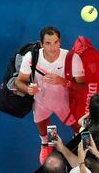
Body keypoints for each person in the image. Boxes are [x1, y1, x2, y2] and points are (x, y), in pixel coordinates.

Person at [14, 27, 85, 164]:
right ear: (41, 44)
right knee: (45, 126)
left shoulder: (72, 58)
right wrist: (28, 89)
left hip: (66, 105)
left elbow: (83, 88)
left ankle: (78, 138)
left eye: (56, 42)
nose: (53, 47)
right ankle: (47, 144)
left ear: (60, 42)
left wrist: (63, 81)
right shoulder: (31, 57)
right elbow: (19, 82)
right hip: (41, 104)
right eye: (48, 43)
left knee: (78, 128)